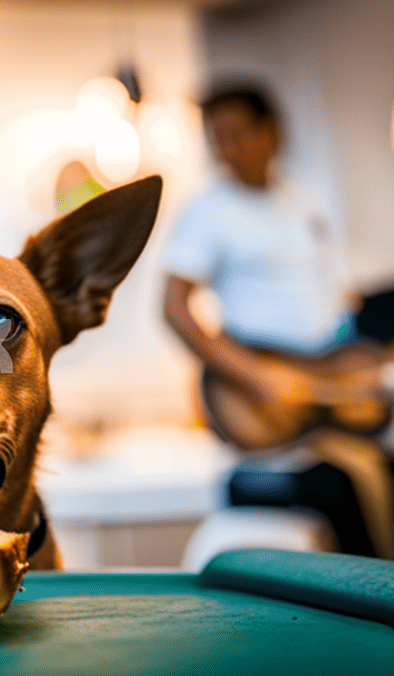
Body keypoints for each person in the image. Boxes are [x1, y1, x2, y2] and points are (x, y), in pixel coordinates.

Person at [161, 82, 392, 558]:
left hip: (329, 357)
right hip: (263, 378)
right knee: (343, 489)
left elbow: (334, 295)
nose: (227, 149)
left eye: (238, 134)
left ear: (272, 134)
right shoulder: (208, 212)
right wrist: (255, 374)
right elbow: (174, 309)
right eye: (217, 138)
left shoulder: (302, 200)